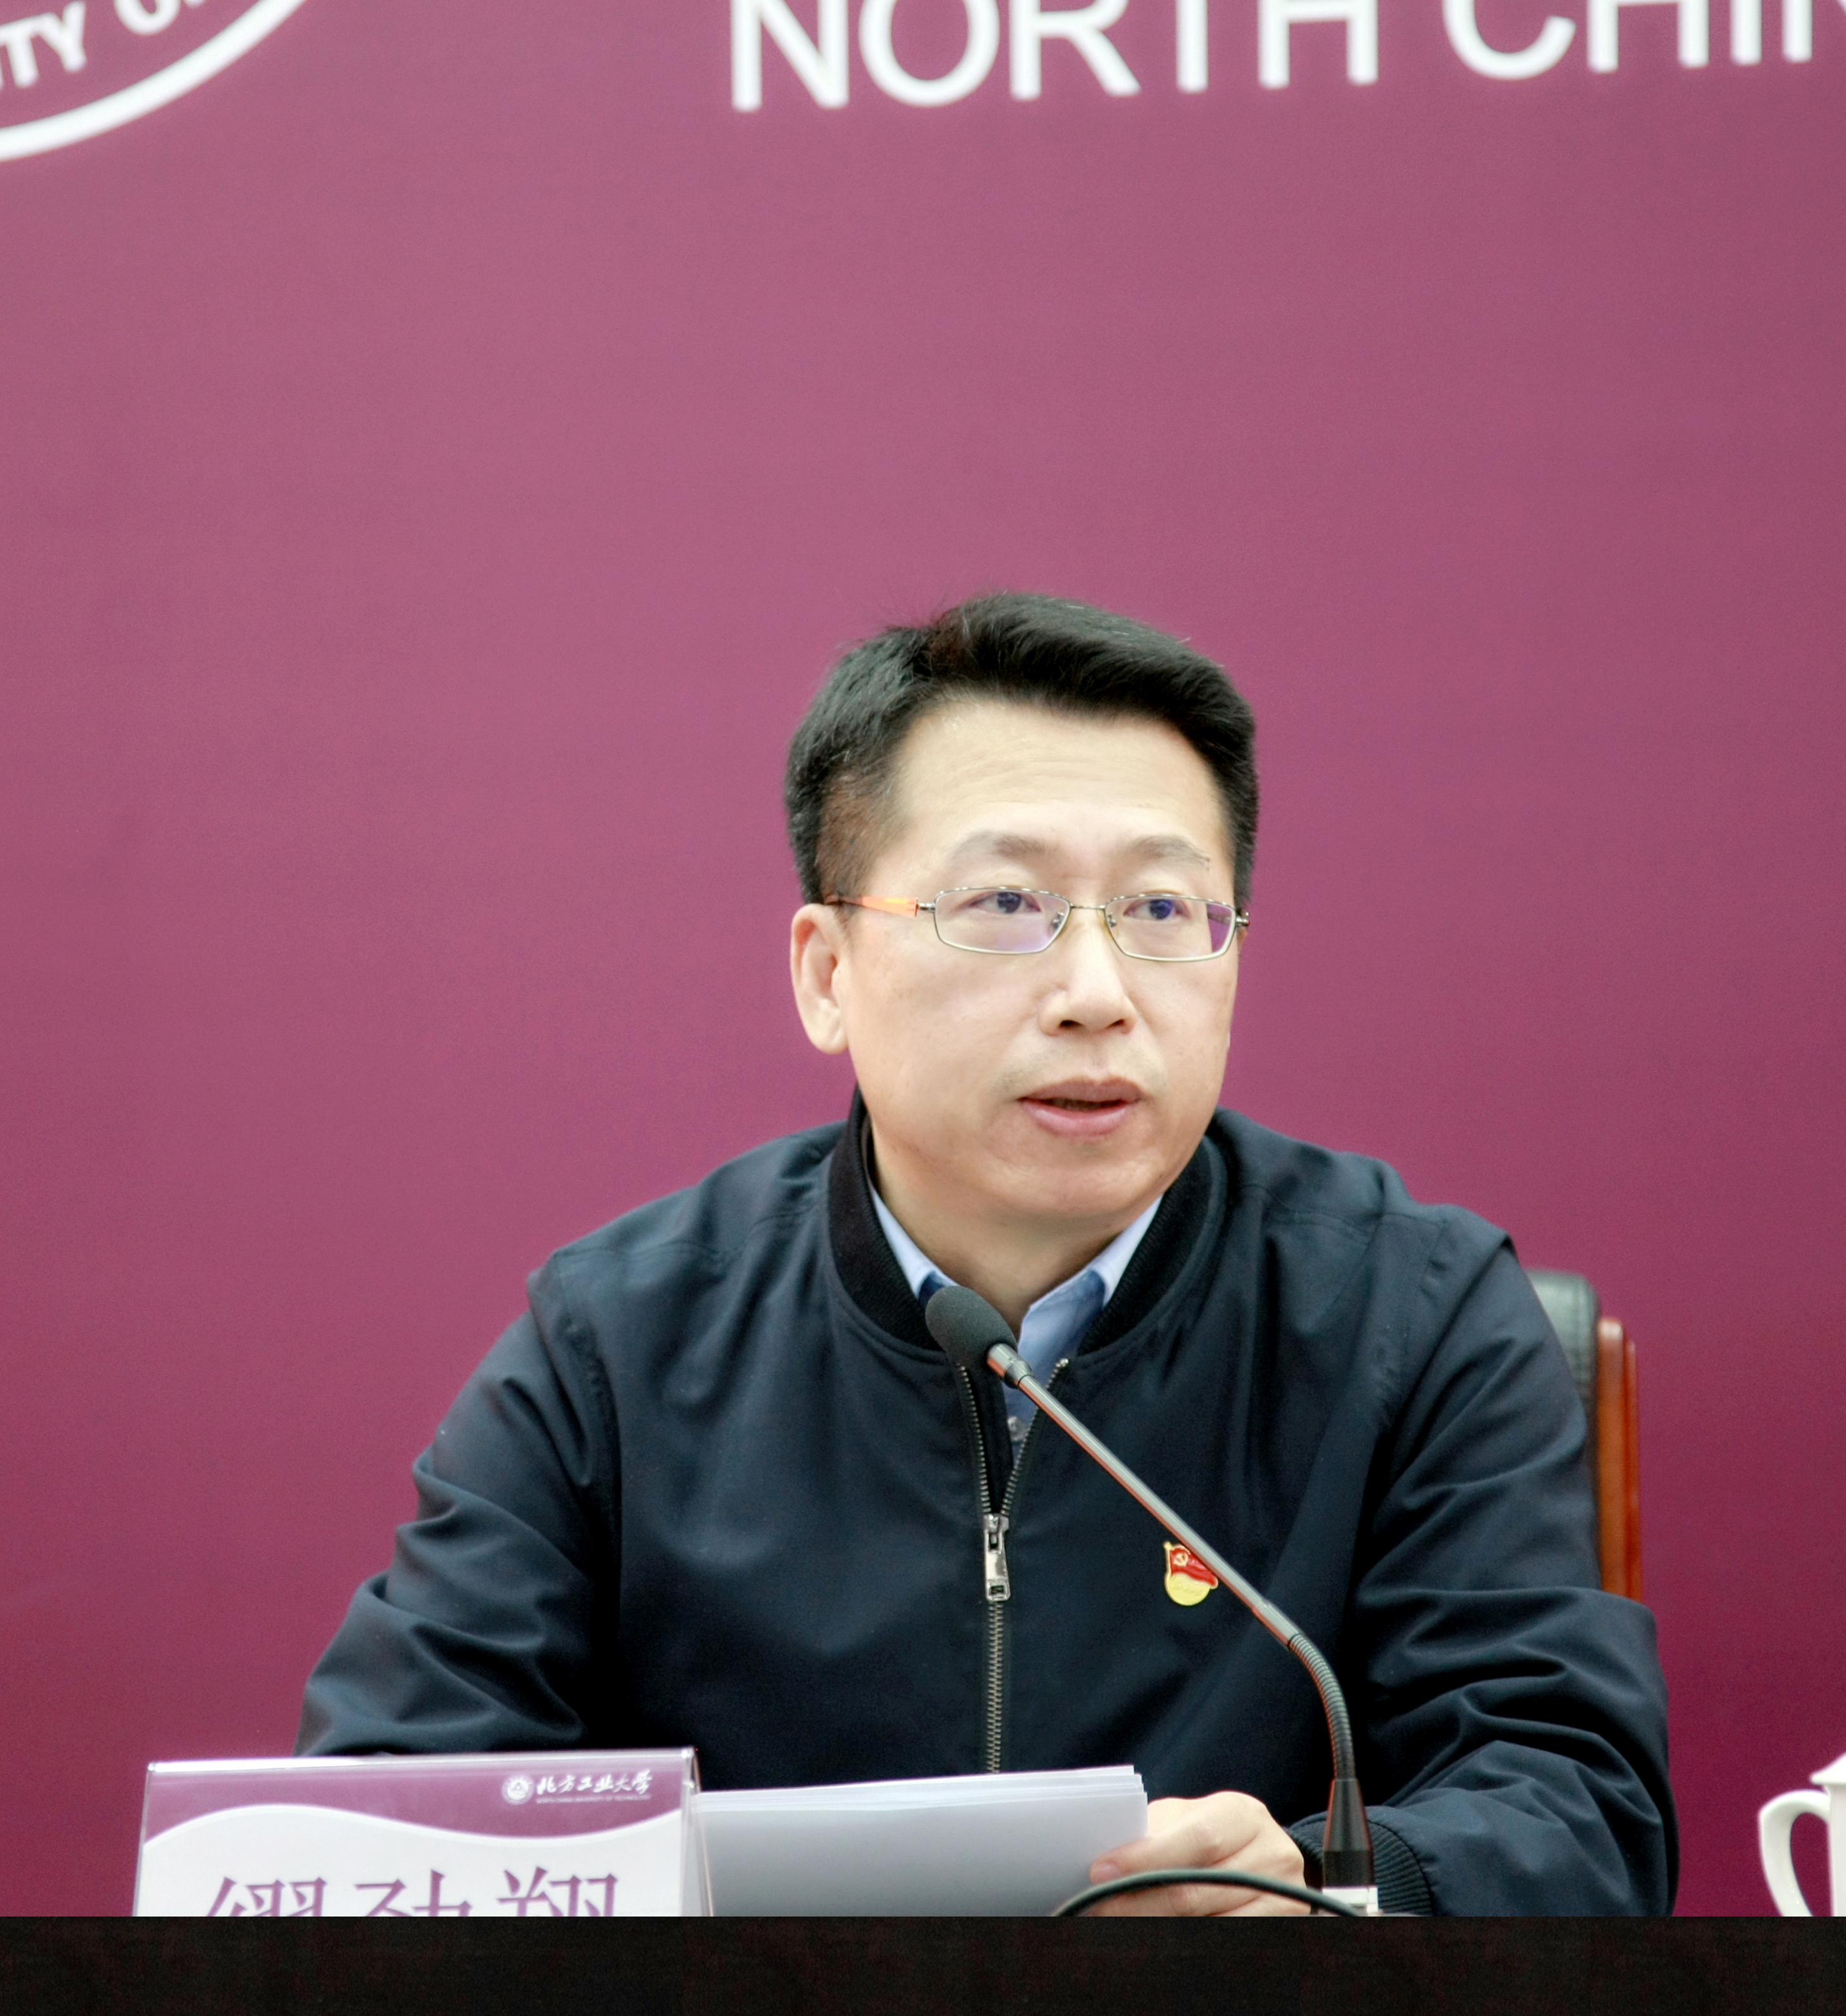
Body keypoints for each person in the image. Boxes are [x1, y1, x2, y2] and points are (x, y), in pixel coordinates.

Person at [298, 593, 1676, 1915]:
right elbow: (381, 1816)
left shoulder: (1411, 1317)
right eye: (1006, 905)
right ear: (826, 973)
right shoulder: (617, 1344)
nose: (1095, 995)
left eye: (1161, 912)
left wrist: (1320, 1887)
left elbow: (1576, 1809)